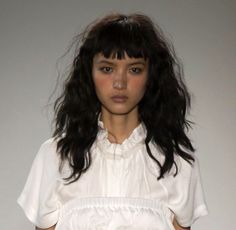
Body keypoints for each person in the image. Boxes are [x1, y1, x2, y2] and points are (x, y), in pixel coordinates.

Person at [17, 13, 208, 230]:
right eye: (107, 69)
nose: (119, 82)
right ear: (89, 73)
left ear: (151, 75)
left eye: (134, 69)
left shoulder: (176, 163)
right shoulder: (56, 156)